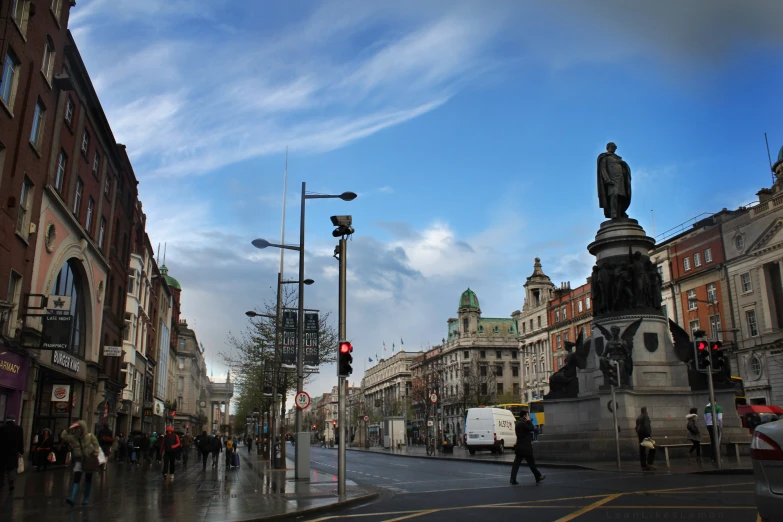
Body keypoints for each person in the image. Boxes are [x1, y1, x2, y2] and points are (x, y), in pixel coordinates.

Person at [60, 420, 101, 506]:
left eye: (79, 428)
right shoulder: (73, 437)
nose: (77, 430)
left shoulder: (90, 436)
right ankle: (73, 499)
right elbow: (63, 436)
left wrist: (94, 455)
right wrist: (69, 428)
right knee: (76, 478)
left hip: (88, 460)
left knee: (88, 479)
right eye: (76, 428)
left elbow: (96, 446)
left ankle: (85, 498)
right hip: (78, 460)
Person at [510, 411, 545, 485]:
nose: (528, 417)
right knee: (531, 463)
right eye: (527, 415)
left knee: (516, 464)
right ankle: (538, 476)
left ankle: (512, 479)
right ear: (525, 416)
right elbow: (532, 428)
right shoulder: (524, 423)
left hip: (519, 446)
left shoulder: (517, 423)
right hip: (526, 447)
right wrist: (529, 421)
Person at [0, 416, 24, 491]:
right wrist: (21, 451)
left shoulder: (2, 428)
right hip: (13, 452)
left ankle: (1, 483)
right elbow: (21, 441)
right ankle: (11, 482)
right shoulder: (19, 429)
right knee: (12, 468)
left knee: (1, 468)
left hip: (2, 452)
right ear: (14, 420)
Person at [635, 406, 656, 470]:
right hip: (645, 434)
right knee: (653, 448)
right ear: (645, 410)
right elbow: (646, 426)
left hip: (640, 435)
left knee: (642, 450)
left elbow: (636, 427)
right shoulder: (645, 416)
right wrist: (648, 435)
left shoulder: (638, 417)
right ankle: (650, 463)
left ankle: (643, 465)